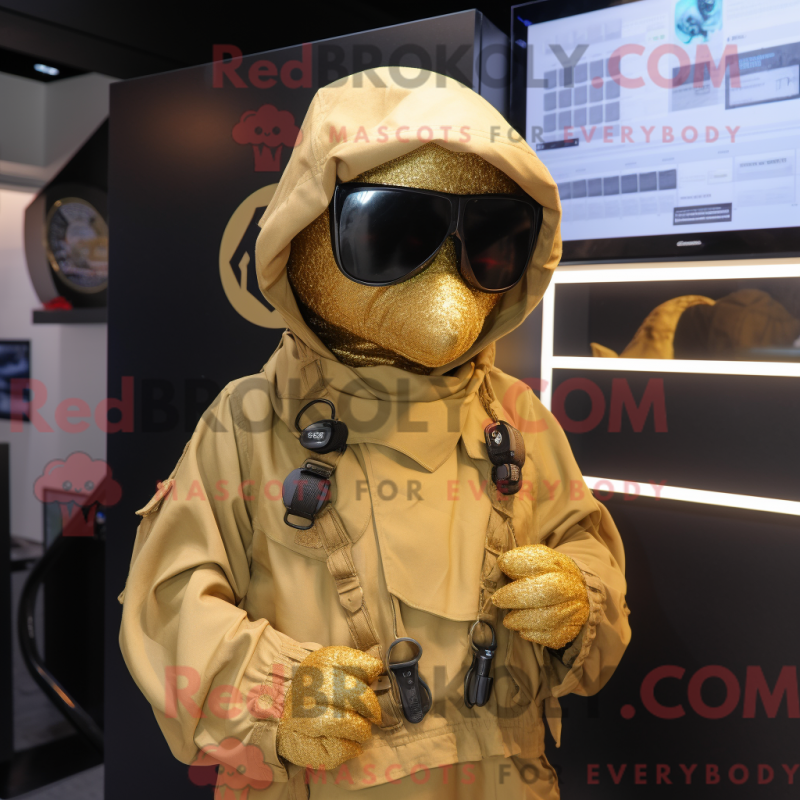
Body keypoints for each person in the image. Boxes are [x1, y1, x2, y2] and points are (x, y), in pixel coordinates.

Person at [119, 68, 631, 799]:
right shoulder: (248, 422)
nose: (449, 287)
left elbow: (581, 538)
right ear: (307, 232)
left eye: (493, 238)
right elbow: (169, 602)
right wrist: (274, 693)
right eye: (397, 232)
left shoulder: (516, 418)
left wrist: (579, 598)